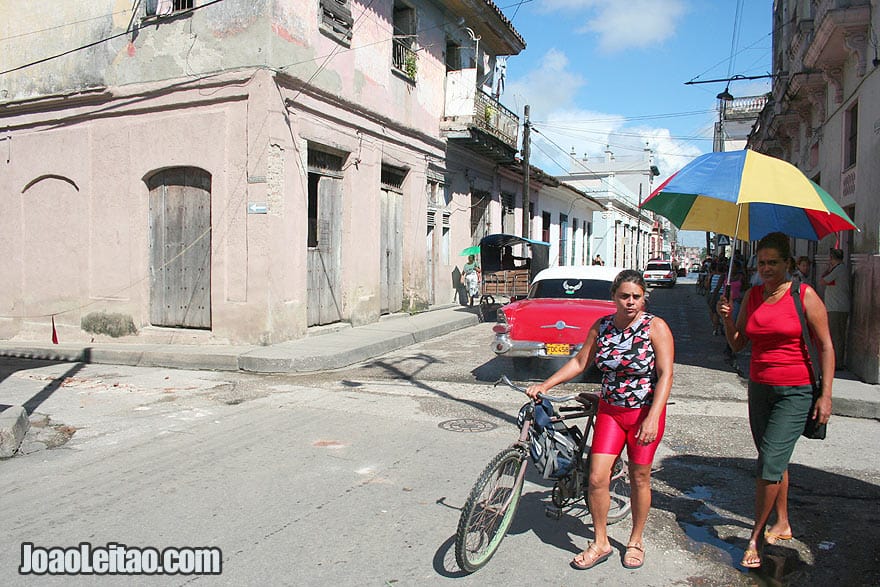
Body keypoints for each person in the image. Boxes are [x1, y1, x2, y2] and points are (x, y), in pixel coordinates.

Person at [526, 270, 674, 571]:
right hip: (611, 412)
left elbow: (666, 374)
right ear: (614, 297)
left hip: (644, 413)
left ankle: (635, 540)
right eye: (624, 296)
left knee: (640, 477)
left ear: (644, 297)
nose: (630, 302)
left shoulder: (654, 327)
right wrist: (546, 384)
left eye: (636, 296)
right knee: (596, 478)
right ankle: (601, 541)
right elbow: (580, 362)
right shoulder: (602, 326)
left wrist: (653, 417)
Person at [716, 232, 833, 570]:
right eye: (762, 262)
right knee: (773, 460)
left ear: (789, 264)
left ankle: (754, 535)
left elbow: (825, 345)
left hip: (796, 390)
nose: (766, 268)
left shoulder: (804, 295)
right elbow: (738, 344)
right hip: (760, 388)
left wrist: (826, 396)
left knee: (768, 463)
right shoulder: (752, 296)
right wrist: (726, 317)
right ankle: (782, 521)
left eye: (773, 262)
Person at [820, 248, 850, 369]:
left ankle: (837, 363)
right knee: (836, 335)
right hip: (835, 306)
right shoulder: (839, 269)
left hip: (837, 307)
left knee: (836, 336)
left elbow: (823, 280)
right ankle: (836, 361)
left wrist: (828, 268)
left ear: (832, 258)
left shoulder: (839, 269)